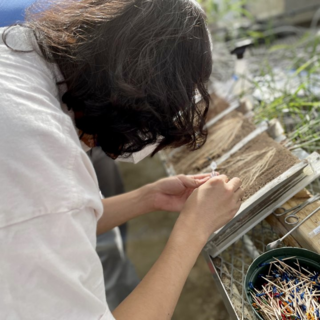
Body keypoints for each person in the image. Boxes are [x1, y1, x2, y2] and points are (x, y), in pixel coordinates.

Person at [0, 0, 244, 319]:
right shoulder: (42, 156)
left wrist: (148, 197)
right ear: (136, 92)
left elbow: (55, 220)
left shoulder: (19, 57)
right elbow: (48, 209)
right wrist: (193, 230)